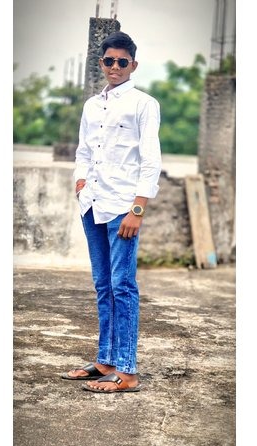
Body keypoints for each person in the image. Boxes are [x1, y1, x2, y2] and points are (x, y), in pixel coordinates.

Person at [61, 31, 162, 393]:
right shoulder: (92, 106)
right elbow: (83, 151)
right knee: (103, 285)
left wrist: (138, 209)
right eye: (108, 61)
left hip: (123, 207)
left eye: (122, 61)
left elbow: (151, 161)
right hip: (92, 203)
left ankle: (127, 371)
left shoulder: (144, 104)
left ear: (133, 65)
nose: (114, 67)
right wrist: (80, 183)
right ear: (101, 63)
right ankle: (105, 360)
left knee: (123, 286)